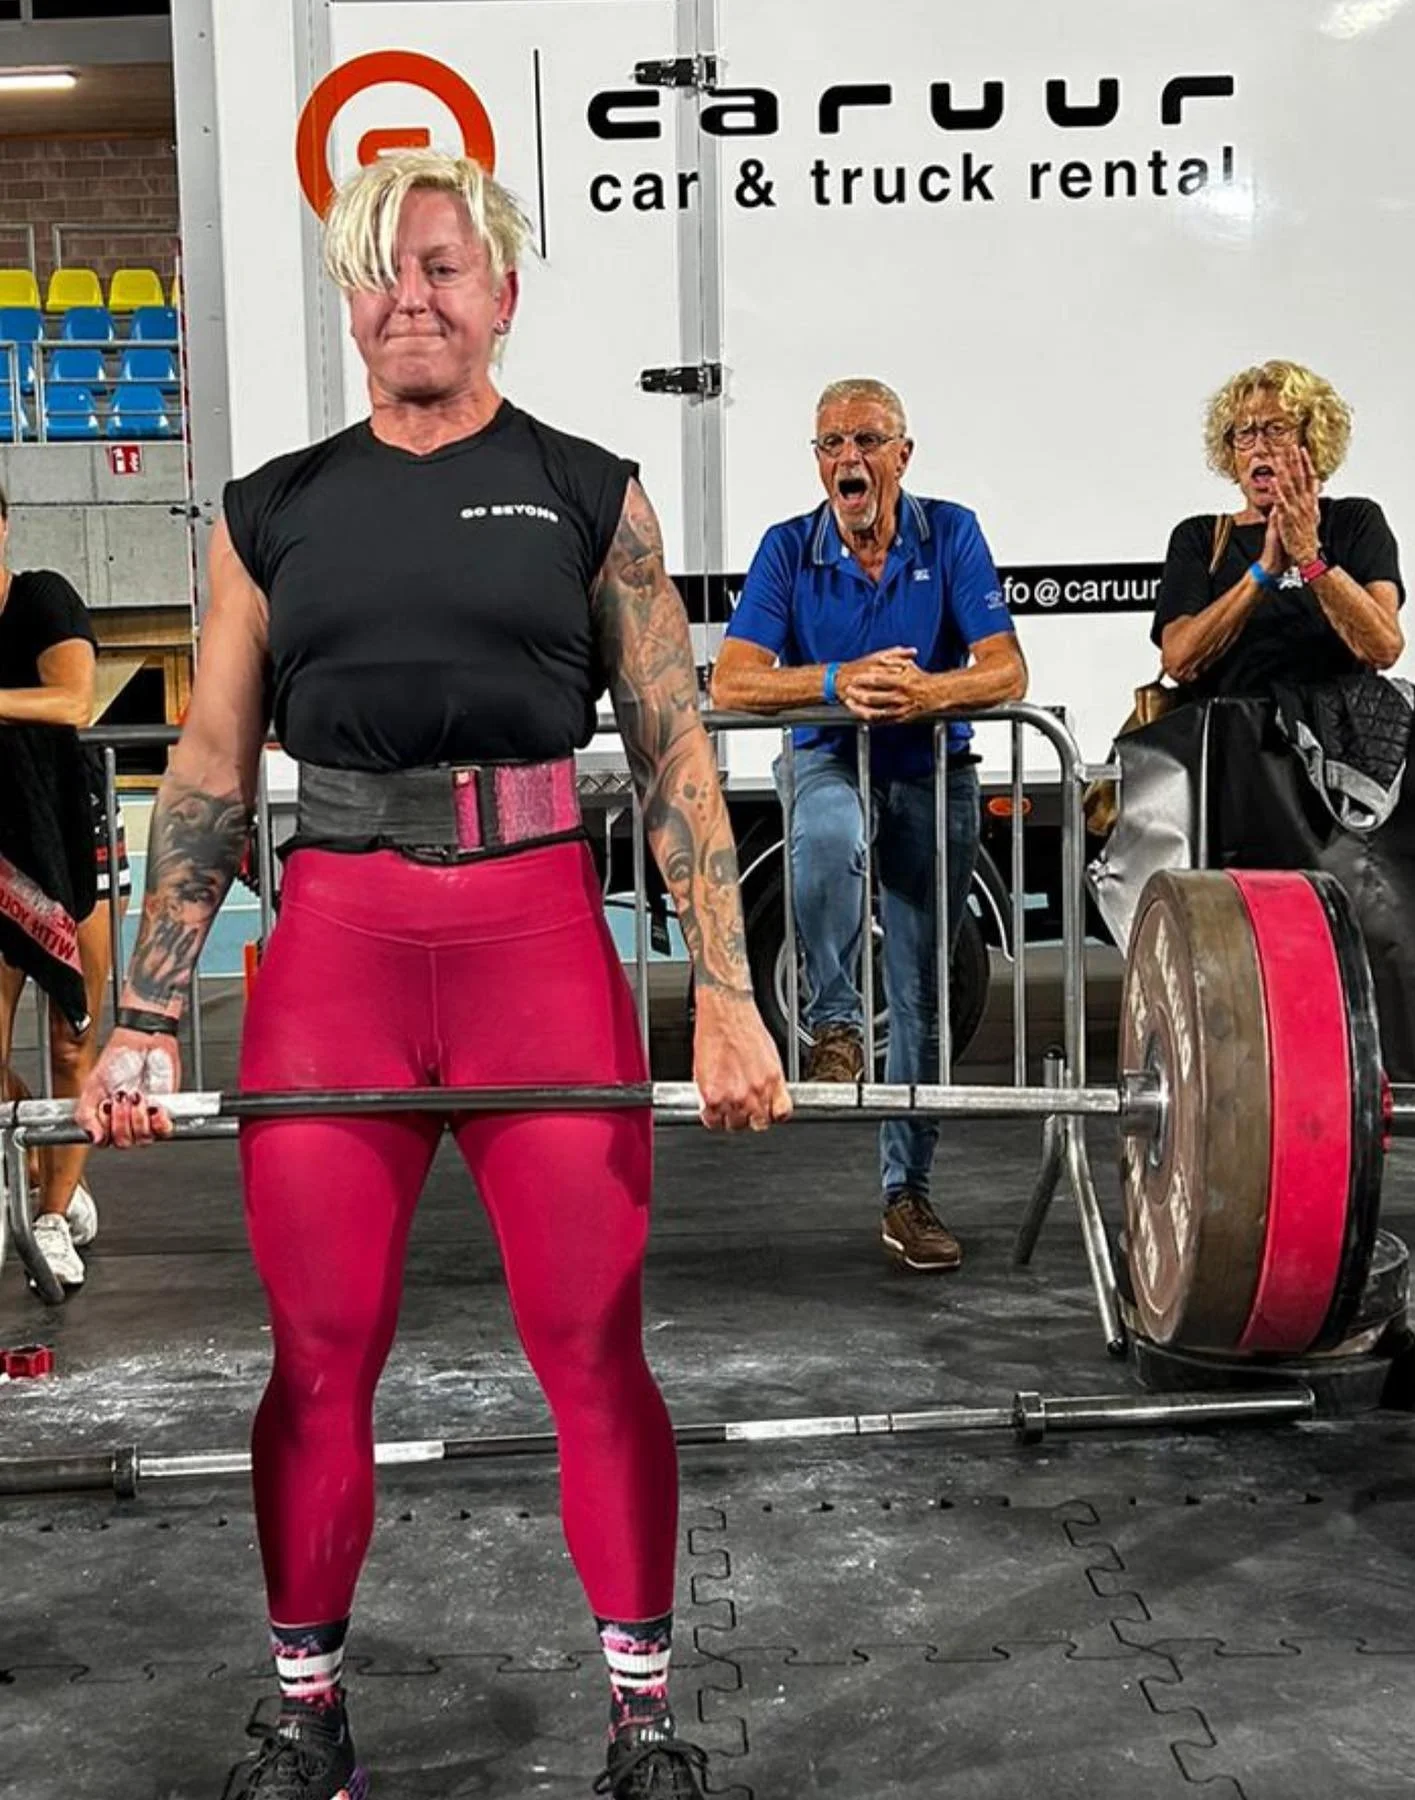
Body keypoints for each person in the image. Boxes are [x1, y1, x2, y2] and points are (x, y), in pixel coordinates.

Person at [75, 151, 790, 1800]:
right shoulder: (270, 512)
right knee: (319, 1353)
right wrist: (145, 1014)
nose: (413, 294)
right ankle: (307, 1714)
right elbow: (210, 761)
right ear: (350, 300)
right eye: (384, 269)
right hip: (336, 956)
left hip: (540, 950)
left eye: (446, 266)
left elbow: (674, 748)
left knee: (593, 1344)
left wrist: (730, 991)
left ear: (503, 293)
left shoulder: (591, 493)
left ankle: (643, 1719)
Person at [710, 378, 1026, 1274]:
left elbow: (1007, 670)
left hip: (932, 772)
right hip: (829, 760)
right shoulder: (788, 547)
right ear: (818, 461)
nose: (848, 457)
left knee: (923, 993)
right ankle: (836, 1025)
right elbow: (732, 679)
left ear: (902, 455)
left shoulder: (951, 532)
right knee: (825, 838)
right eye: (831, 444)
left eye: (867, 441)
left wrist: (928, 692)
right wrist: (834, 681)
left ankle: (906, 1194)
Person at [0, 478, 129, 1290]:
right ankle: (48, 1167)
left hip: (72, 841)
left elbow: (74, 698)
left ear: (4, 525)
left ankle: (53, 1213)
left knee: (71, 1040)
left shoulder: (43, 598)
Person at [1154, 359, 1404, 695]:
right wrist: (1262, 573)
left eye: (1276, 429)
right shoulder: (1200, 537)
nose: (1259, 447)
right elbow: (1178, 661)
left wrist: (1309, 556)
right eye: (1244, 433)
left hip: (1333, 727)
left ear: (1311, 441)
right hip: (1233, 727)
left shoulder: (1355, 521)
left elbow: (1384, 648)